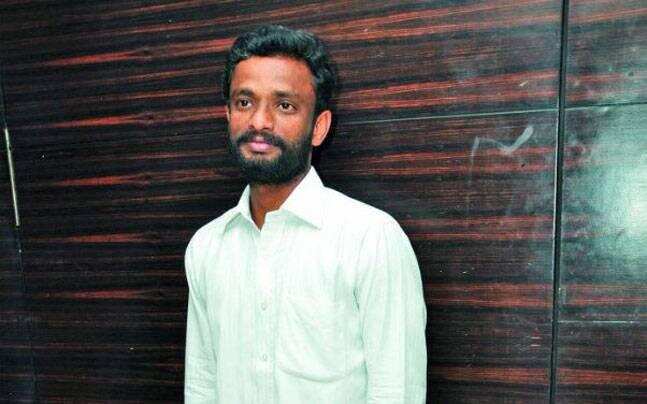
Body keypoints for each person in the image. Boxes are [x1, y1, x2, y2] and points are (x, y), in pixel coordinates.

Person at [184, 25, 427, 403]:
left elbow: (397, 392)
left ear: (319, 126)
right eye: (245, 102)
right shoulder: (207, 247)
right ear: (228, 114)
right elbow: (201, 387)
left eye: (284, 105)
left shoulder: (370, 239)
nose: (259, 122)